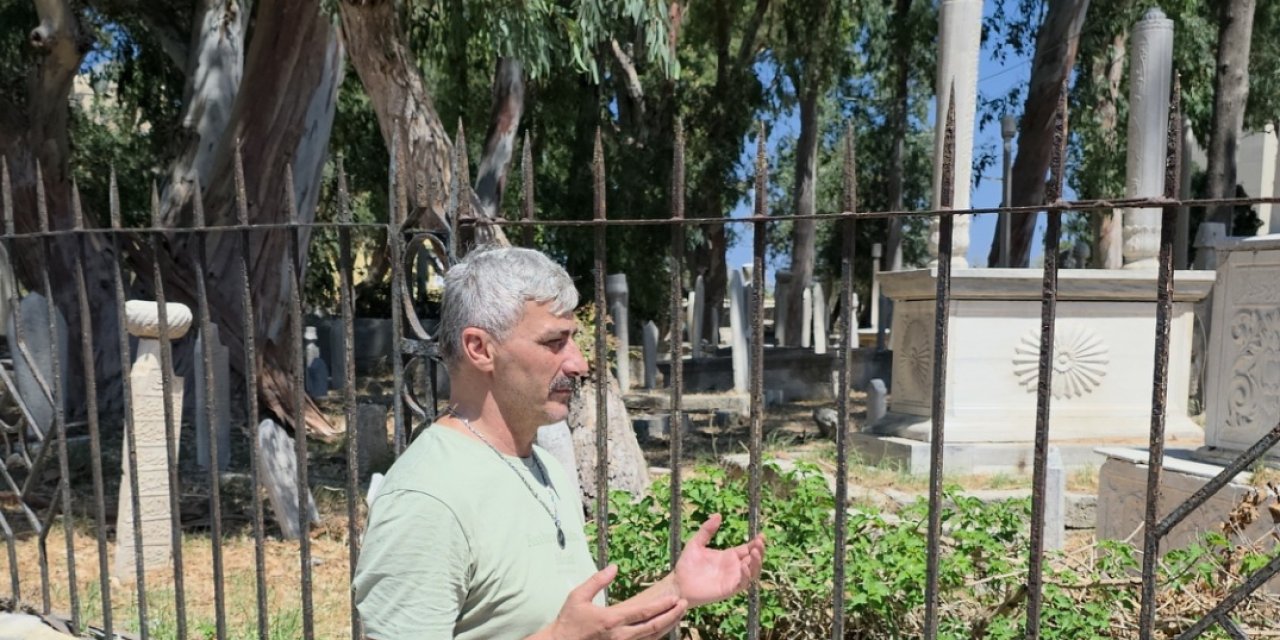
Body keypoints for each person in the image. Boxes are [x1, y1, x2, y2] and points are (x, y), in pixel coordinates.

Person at [354, 246, 765, 639]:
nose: (579, 363)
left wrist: (675, 589)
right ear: (480, 349)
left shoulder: (541, 466)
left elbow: (583, 628)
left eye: (572, 340)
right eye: (554, 342)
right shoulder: (427, 499)